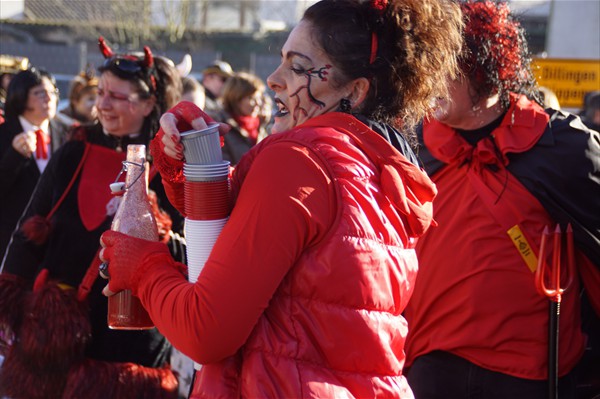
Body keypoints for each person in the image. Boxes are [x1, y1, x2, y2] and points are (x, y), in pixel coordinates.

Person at [97, 0, 463, 397]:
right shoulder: (378, 168)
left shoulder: (300, 157)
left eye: (297, 66)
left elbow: (205, 331)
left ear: (355, 91)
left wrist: (143, 266)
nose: (273, 79)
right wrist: (188, 165)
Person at [402, 2, 600, 398]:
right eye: (426, 66)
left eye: (444, 66)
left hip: (531, 376)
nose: (429, 81)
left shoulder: (566, 147)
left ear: (486, 65)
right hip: (425, 367)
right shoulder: (409, 145)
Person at [0, 38, 184, 398]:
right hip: (54, 333)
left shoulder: (171, 166)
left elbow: (188, 257)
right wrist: (10, 304)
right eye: (101, 92)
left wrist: (155, 222)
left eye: (117, 96)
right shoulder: (73, 151)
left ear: (149, 103)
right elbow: (29, 229)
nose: (102, 104)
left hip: (128, 340)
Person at [0, 67, 68, 259]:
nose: (49, 98)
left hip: (56, 241)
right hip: (11, 239)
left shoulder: (67, 132)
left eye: (52, 92)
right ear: (20, 96)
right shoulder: (4, 134)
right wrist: (14, 156)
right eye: (39, 93)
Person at [214, 71, 270, 165]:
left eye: (259, 98)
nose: (258, 103)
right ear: (235, 98)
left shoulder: (261, 125)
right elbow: (222, 168)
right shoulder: (221, 127)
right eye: (251, 98)